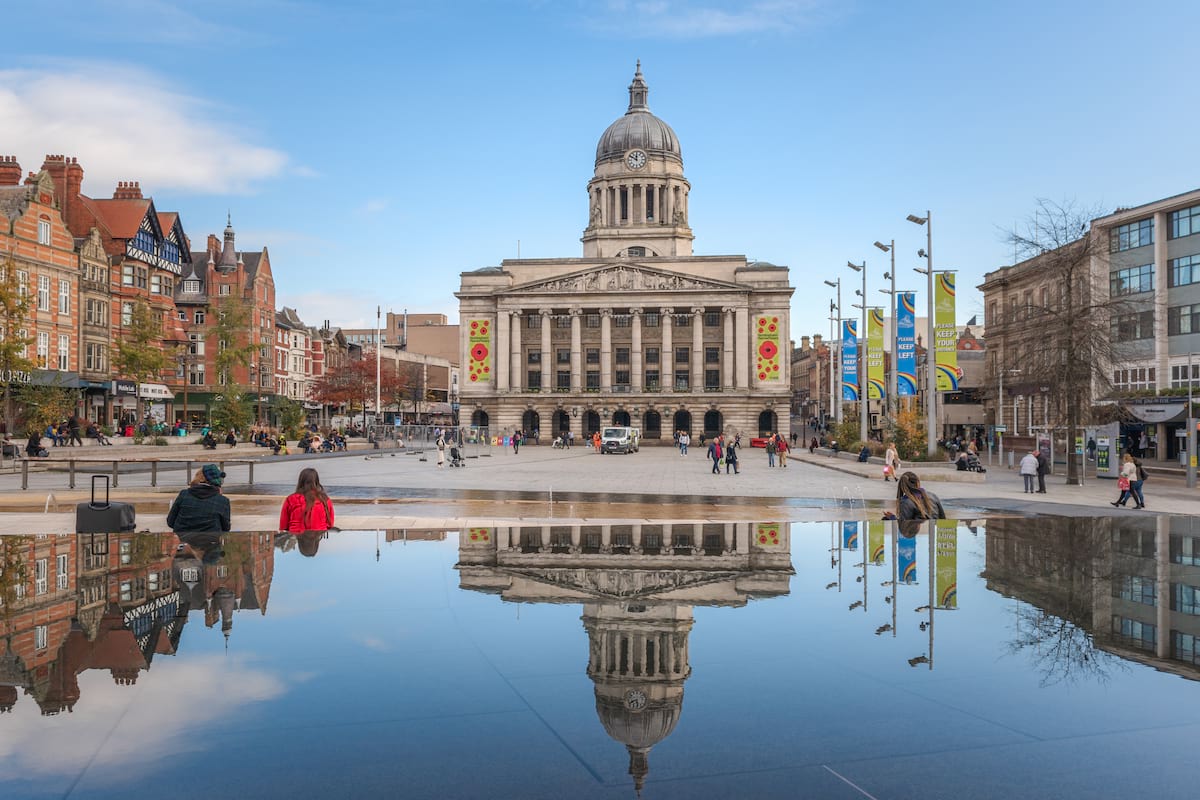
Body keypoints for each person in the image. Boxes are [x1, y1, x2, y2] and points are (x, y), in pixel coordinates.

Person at [166, 464, 231, 533]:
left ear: (198, 477)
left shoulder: (184, 495)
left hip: (184, 541)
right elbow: (226, 528)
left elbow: (170, 522)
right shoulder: (223, 501)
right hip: (210, 542)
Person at [279, 467, 335, 532]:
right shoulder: (324, 499)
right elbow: (330, 524)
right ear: (316, 481)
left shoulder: (291, 499)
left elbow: (283, 525)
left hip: (297, 535)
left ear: (301, 481)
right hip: (318, 535)